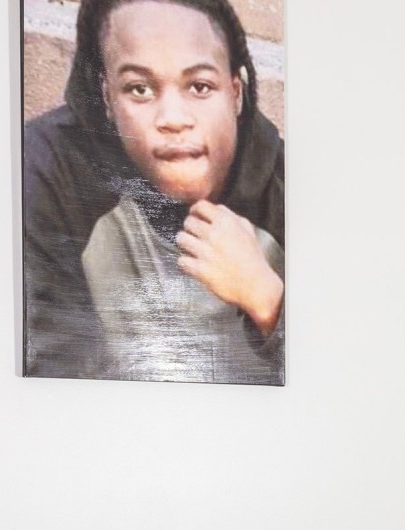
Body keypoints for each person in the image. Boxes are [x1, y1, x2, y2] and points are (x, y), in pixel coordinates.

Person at [23, 0, 285, 384]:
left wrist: (269, 302)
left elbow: (355, 368)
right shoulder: (47, 172)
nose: (173, 119)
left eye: (200, 86)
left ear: (236, 92)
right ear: (107, 97)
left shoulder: (284, 180)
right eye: (140, 89)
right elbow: (45, 378)